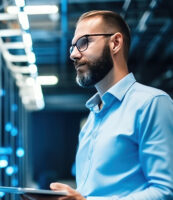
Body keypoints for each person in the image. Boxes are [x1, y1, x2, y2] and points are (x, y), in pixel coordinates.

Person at [21, 10, 173, 200]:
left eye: (83, 42)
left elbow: (166, 191)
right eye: (72, 47)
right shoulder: (91, 120)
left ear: (115, 43)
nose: (74, 55)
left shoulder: (152, 104)